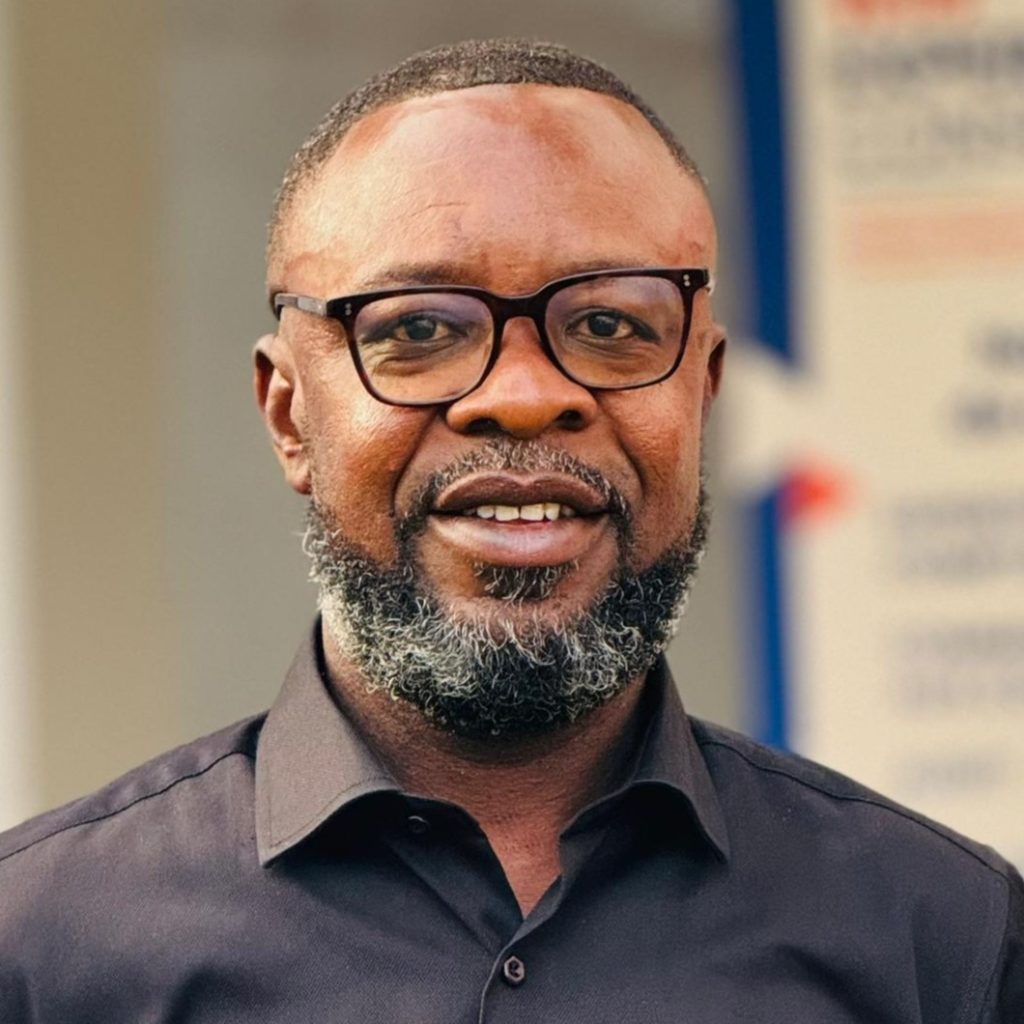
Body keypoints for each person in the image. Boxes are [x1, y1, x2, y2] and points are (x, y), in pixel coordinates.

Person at [0, 38, 1020, 1022]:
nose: (524, 397)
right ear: (289, 416)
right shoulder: (42, 951)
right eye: (418, 328)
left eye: (610, 324)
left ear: (703, 393)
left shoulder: (943, 941)